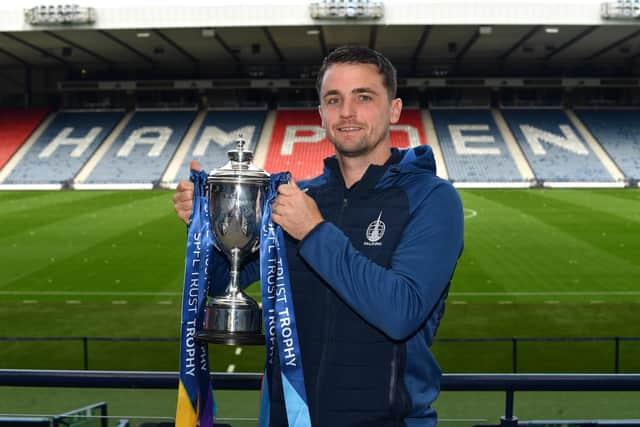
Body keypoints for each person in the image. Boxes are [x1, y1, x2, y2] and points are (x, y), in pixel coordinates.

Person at [173, 45, 464, 427]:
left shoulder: (432, 198)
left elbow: (401, 312)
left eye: (364, 97)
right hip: (287, 419)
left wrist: (313, 231)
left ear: (394, 110)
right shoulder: (296, 197)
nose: (347, 112)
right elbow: (221, 282)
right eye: (333, 99)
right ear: (321, 114)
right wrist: (211, 224)